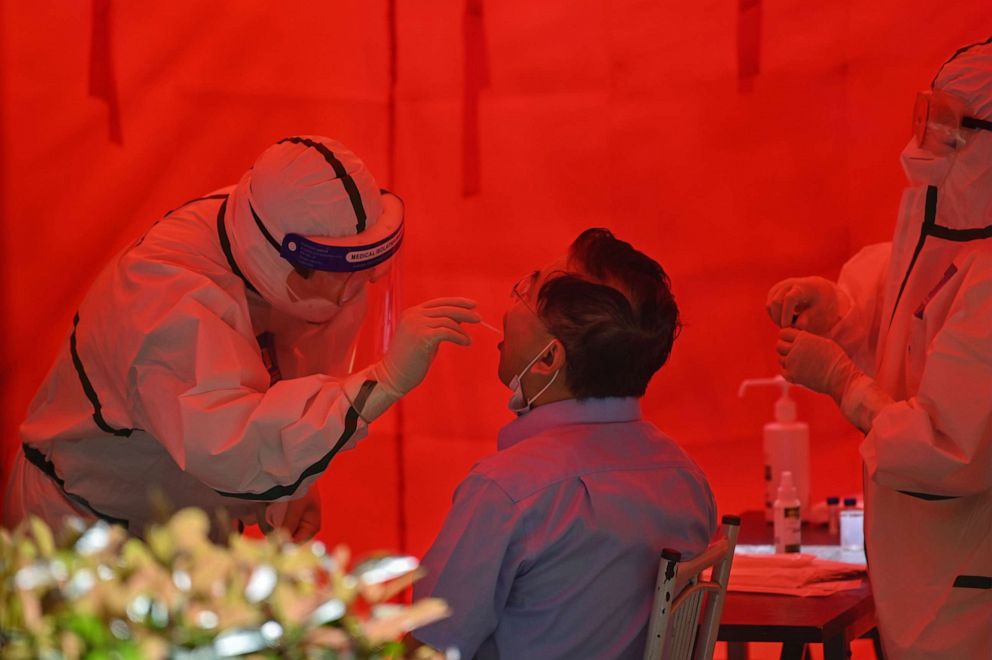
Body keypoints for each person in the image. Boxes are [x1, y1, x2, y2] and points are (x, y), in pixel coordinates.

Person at [3, 135, 480, 540]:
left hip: (185, 530)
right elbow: (230, 446)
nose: (365, 286)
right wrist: (385, 382)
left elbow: (291, 374)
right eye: (345, 274)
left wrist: (291, 489)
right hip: (83, 529)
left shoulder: (272, 235)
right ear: (283, 261)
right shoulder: (164, 298)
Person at [767, 39, 992, 658]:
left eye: (952, 125)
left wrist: (845, 383)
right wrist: (838, 309)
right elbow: (905, 293)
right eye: (930, 116)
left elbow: (947, 449)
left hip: (965, 600)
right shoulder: (948, 214)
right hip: (925, 581)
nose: (930, 139)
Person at [411, 228, 717, 658]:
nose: (509, 304)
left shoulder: (508, 492)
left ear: (549, 359)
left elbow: (427, 644)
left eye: (527, 290)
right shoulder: (687, 479)